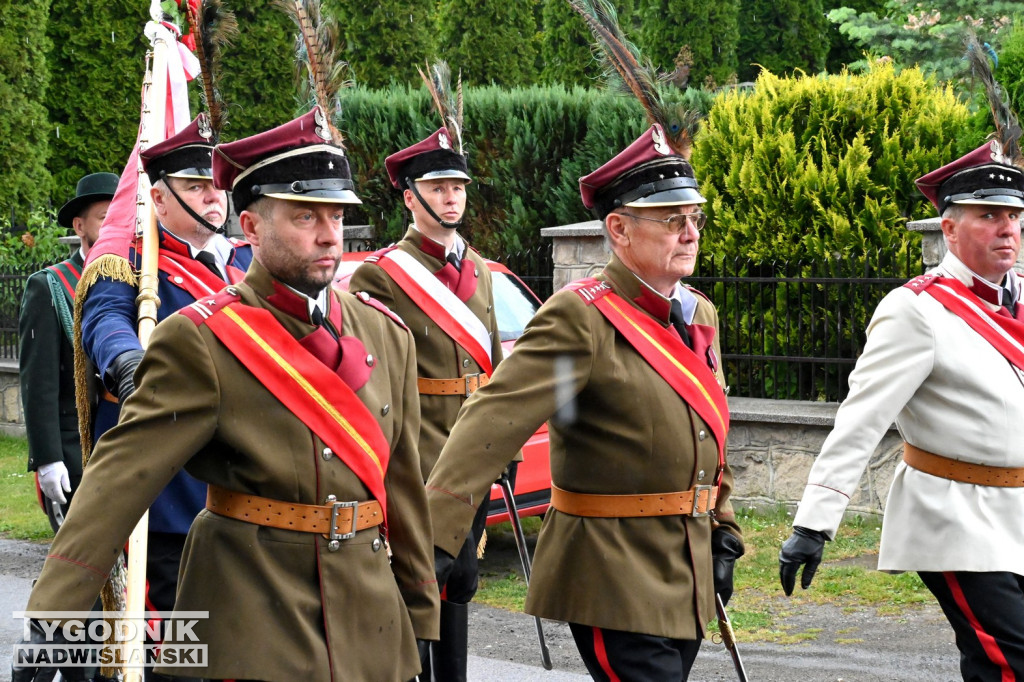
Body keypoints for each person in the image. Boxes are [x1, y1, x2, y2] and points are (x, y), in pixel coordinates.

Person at [13, 106, 439, 682]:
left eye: (337, 214)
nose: (328, 234)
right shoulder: (201, 339)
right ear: (254, 227)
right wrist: (54, 617)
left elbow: (401, 484)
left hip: (369, 622)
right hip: (252, 617)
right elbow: (121, 473)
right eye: (305, 215)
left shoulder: (385, 334)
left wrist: (418, 609)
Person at [425, 124, 744, 681]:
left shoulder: (698, 314)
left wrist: (724, 528)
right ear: (618, 229)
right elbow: (491, 420)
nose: (690, 233)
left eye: (695, 217)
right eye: (673, 220)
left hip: (685, 567)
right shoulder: (580, 317)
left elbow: (708, 432)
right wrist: (433, 541)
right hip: (610, 571)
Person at [779, 141, 1024, 681]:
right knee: (1011, 662)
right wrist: (814, 523)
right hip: (958, 515)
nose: (1007, 228)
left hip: (1018, 514)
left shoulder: (1022, 299)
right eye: (989, 215)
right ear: (950, 229)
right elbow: (861, 417)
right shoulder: (915, 310)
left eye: (1013, 215)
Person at [76, 113, 253, 654]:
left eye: (216, 185)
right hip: (174, 491)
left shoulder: (245, 264)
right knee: (174, 644)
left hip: (247, 485)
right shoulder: (131, 264)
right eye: (196, 186)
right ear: (158, 199)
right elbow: (104, 320)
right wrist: (130, 364)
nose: (212, 197)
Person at [349, 123, 503, 680]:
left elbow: (492, 360)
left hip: (476, 445)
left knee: (461, 580)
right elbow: (370, 373)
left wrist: (502, 438)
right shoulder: (381, 273)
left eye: (457, 186)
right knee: (422, 575)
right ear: (410, 197)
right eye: (438, 188)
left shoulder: (479, 269)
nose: (451, 197)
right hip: (420, 450)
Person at [19, 172, 118, 532]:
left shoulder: (140, 279)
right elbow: (38, 381)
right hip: (74, 449)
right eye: (105, 217)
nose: (115, 225)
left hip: (126, 445)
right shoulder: (50, 286)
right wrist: (47, 459)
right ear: (79, 226)